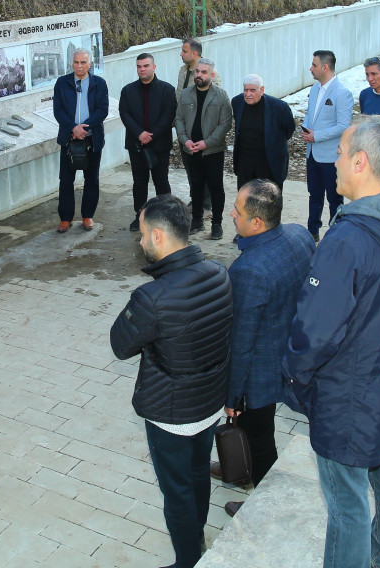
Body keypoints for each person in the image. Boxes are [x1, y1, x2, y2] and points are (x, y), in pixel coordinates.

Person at [285, 116, 380, 568]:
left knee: (347, 501)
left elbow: (313, 330)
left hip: (347, 394)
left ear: (361, 161)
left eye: (339, 154)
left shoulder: (349, 238)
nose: (333, 163)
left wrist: (295, 376)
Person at [110, 195, 233, 568]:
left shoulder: (151, 297)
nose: (141, 242)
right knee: (198, 472)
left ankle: (186, 560)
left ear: (160, 236)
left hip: (172, 414)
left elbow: (120, 344)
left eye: (144, 235)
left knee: (176, 490)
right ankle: (196, 535)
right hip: (209, 404)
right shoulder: (219, 272)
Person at [220, 180, 317, 515]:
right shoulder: (299, 235)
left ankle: (266, 507)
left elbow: (241, 342)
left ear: (256, 223)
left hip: (259, 372)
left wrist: (233, 399)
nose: (232, 214)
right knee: (260, 433)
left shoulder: (248, 271)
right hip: (291, 352)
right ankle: (242, 469)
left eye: (237, 210)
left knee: (260, 439)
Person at [175, 58, 233, 240]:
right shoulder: (185, 94)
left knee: (216, 188)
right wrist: (185, 141)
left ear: (212, 75)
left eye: (203, 72)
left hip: (212, 151)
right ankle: (197, 220)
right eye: (197, 71)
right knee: (196, 186)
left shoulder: (221, 95)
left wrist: (207, 143)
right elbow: (179, 120)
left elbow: (225, 124)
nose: (199, 75)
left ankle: (216, 224)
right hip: (191, 149)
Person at [53, 49, 109, 233]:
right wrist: (73, 128)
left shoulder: (99, 83)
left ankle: (87, 216)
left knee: (91, 179)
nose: (79, 66)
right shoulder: (62, 83)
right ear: (72, 63)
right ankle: (66, 218)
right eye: (76, 62)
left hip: (91, 138)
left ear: (90, 64)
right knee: (66, 180)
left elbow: (102, 110)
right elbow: (58, 110)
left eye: (83, 62)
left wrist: (84, 128)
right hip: (69, 138)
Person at [119, 53, 177, 231]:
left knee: (161, 181)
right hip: (136, 144)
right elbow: (125, 113)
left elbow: (169, 115)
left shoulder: (167, 89)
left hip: (159, 144)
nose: (142, 69)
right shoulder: (128, 90)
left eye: (145, 65)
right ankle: (140, 217)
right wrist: (139, 133)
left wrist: (151, 135)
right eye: (139, 66)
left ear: (154, 67)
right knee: (139, 182)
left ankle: (165, 216)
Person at [300, 51, 353, 240]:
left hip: (331, 156)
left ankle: (336, 233)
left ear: (325, 67)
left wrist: (317, 136)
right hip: (312, 153)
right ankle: (312, 230)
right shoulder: (314, 89)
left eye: (313, 65)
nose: (310, 68)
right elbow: (310, 115)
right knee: (314, 194)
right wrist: (305, 128)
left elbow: (343, 126)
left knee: (334, 197)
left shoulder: (342, 93)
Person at [176, 37, 219, 215]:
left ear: (195, 53)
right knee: (190, 166)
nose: (181, 54)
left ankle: (206, 203)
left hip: (201, 129)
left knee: (204, 166)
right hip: (184, 128)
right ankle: (197, 198)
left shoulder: (209, 73)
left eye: (184, 51)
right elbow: (179, 96)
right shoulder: (183, 71)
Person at [230, 74, 297, 188]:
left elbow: (289, 129)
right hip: (245, 161)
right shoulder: (237, 102)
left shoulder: (279, 107)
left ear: (262, 90)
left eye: (252, 90)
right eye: (245, 90)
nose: (248, 94)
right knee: (245, 198)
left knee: (269, 199)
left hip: (269, 161)